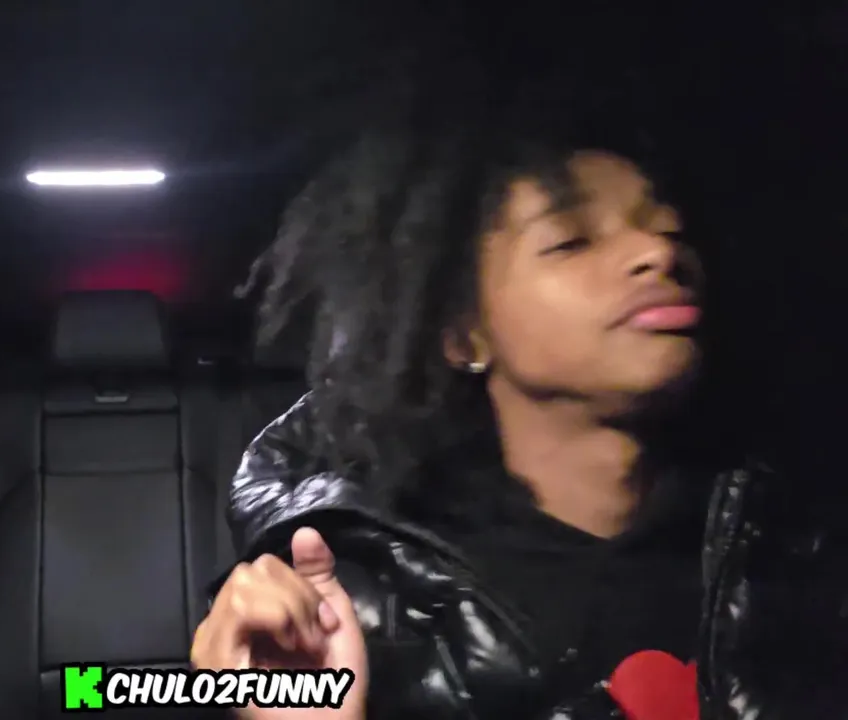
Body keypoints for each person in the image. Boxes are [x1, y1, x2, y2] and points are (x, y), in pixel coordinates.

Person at [189, 76, 847, 719]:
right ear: (462, 334)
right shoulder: (356, 609)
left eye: (670, 230)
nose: (656, 252)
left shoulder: (801, 547)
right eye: (571, 241)